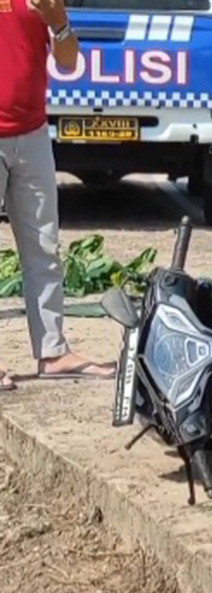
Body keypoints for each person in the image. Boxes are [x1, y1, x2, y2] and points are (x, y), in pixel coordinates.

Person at [1, 0, 114, 388]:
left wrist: (58, 20)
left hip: (32, 133)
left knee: (43, 246)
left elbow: (68, 61)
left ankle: (52, 351)